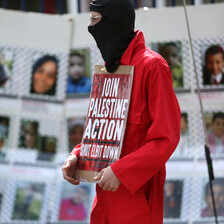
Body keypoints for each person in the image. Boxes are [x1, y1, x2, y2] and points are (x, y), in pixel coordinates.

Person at [62, 0, 181, 223]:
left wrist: (122, 171)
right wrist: (77, 156)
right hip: (103, 202)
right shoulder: (109, 68)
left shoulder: (152, 66)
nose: (90, 26)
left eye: (95, 20)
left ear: (114, 21)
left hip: (137, 201)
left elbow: (166, 138)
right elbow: (103, 129)